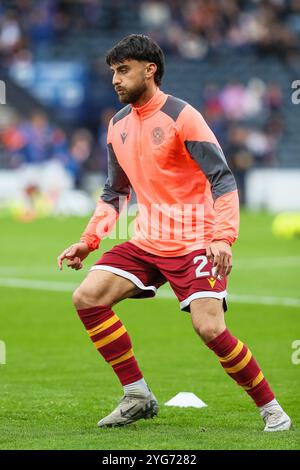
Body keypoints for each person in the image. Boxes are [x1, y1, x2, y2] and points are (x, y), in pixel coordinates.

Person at [57, 34, 291, 431]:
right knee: (88, 297)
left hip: (196, 241)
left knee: (210, 327)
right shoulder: (117, 126)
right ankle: (137, 395)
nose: (115, 79)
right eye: (113, 71)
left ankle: (271, 408)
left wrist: (223, 237)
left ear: (150, 70)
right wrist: (88, 240)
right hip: (148, 240)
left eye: (124, 70)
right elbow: (115, 191)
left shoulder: (183, 116)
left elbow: (223, 179)